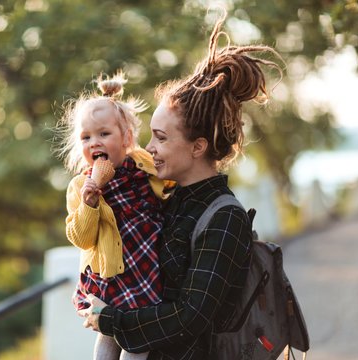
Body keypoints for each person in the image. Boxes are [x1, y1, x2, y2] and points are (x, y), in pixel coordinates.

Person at [78, 10, 282, 360]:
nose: (148, 148)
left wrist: (111, 319)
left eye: (160, 137)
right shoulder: (164, 200)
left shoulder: (224, 218)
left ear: (197, 146)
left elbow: (190, 317)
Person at [57, 73, 172, 360]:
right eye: (86, 137)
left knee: (135, 346)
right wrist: (90, 204)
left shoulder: (141, 168)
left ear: (127, 139)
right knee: (106, 346)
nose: (94, 142)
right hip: (110, 281)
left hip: (145, 273)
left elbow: (168, 185)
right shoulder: (79, 188)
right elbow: (81, 239)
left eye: (104, 134)